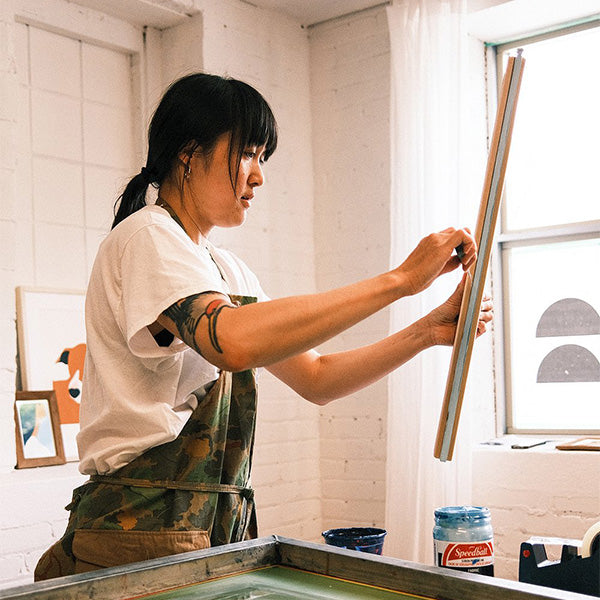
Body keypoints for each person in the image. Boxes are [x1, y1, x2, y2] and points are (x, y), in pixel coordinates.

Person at [34, 72, 491, 580]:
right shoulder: (146, 236)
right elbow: (230, 341)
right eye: (248, 153)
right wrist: (401, 280)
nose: (259, 177)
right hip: (139, 532)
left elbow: (317, 377)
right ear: (189, 152)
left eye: (262, 158)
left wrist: (427, 330)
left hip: (210, 531)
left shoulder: (225, 269)